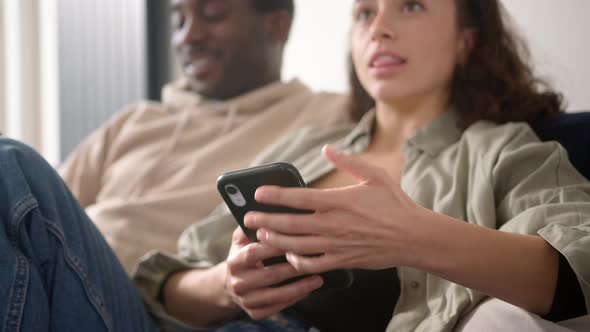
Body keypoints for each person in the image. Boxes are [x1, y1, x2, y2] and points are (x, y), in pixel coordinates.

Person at [0, 1, 588, 332]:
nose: (379, 26)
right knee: (10, 166)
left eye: (410, 5)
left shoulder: (502, 149)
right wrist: (228, 285)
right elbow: (164, 283)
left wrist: (412, 236)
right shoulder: (309, 144)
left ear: (467, 39)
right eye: (363, 13)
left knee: (12, 166)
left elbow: (579, 265)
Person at [58, 0, 350, 273]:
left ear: (276, 25)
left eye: (213, 15)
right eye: (179, 20)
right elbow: (44, 208)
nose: (189, 36)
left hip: (149, 295)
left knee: (11, 159)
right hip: (63, 270)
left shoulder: (328, 114)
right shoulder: (134, 121)